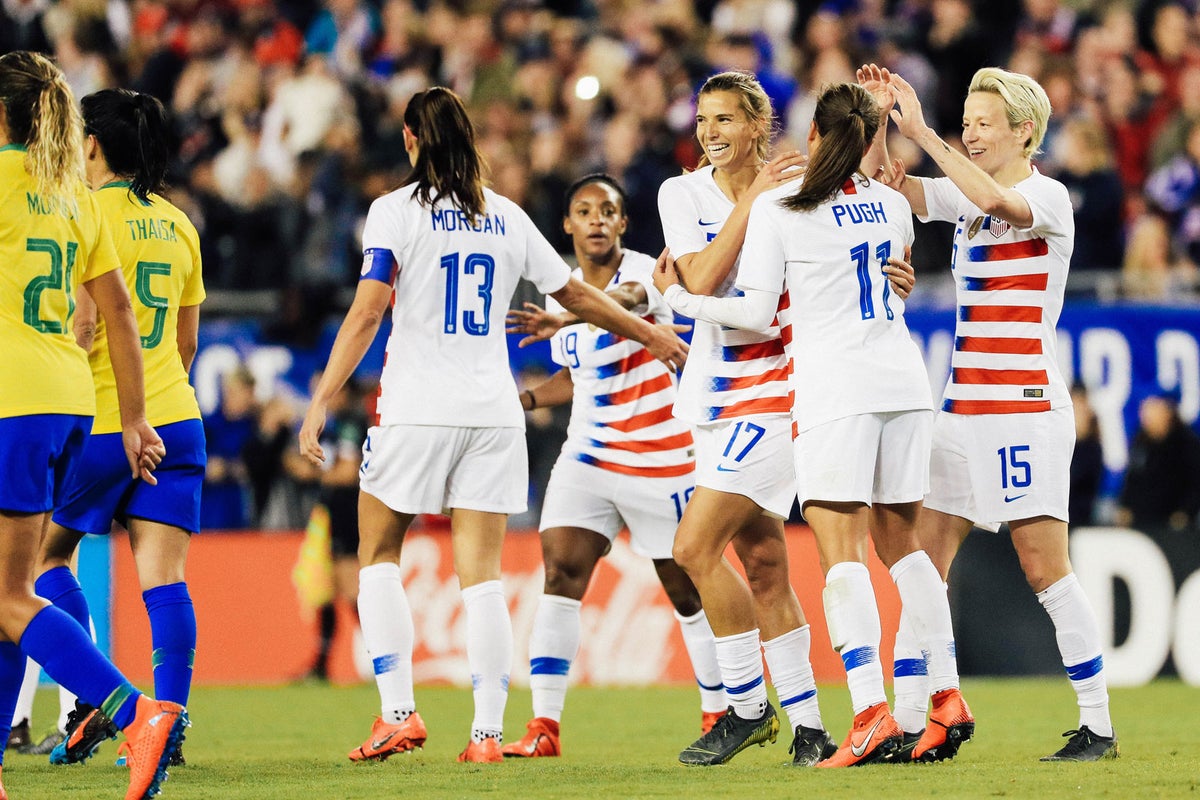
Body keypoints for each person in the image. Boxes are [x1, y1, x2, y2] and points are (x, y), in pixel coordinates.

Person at [297, 86, 689, 765]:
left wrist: (323, 395)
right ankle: (483, 736)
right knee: (479, 576)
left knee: (377, 554)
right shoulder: (505, 216)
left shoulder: (393, 212)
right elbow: (577, 297)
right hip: (493, 413)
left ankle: (398, 713)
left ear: (412, 140)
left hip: (417, 410)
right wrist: (650, 337)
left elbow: (367, 312)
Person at [655, 81, 971, 768]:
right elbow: (880, 273)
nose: (711, 130)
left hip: (822, 393)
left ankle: (861, 712)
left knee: (833, 559)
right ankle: (940, 697)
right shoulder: (890, 206)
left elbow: (746, 308)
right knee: (897, 546)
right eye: (704, 119)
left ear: (811, 137)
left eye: (725, 118)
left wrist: (673, 297)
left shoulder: (782, 205)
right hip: (902, 384)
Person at [870, 62, 1119, 761]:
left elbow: (995, 202)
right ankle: (915, 718)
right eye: (967, 122)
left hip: (1023, 410)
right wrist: (874, 119)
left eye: (984, 124)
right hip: (960, 412)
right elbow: (888, 188)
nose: (971, 133)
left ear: (1024, 132)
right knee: (923, 561)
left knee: (1044, 569)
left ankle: (1098, 724)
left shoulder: (1050, 197)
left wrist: (922, 131)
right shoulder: (961, 196)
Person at [0, 51, 186, 799]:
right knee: (9, 593)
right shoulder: (72, 195)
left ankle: (134, 712)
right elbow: (119, 313)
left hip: (11, 396)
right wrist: (135, 418)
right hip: (71, 400)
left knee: (14, 596)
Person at [500, 174, 725, 758]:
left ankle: (718, 709)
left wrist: (569, 317)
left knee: (686, 592)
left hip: (659, 456)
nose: (597, 219)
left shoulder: (650, 271)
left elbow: (623, 306)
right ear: (567, 226)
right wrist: (523, 401)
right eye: (584, 210)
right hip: (588, 455)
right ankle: (544, 727)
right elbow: (574, 378)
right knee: (559, 572)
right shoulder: (559, 293)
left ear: (624, 224)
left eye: (608, 210)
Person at [29, 87, 206, 769]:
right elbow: (186, 344)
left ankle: (111, 700)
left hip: (100, 420)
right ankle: (173, 719)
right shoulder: (179, 223)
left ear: (92, 145)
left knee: (41, 561)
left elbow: (82, 323)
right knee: (165, 582)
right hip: (176, 420)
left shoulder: (75, 212)